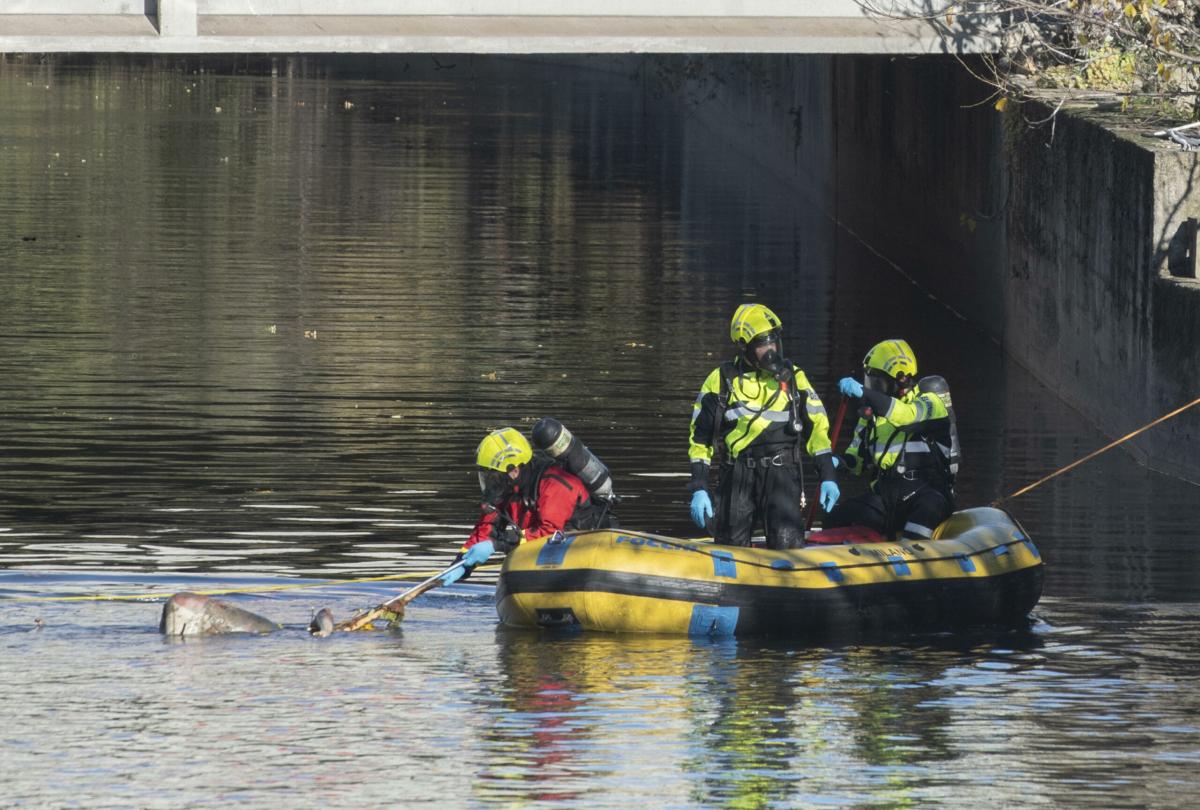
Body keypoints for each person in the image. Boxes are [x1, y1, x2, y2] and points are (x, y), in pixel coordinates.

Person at [688, 303, 840, 549]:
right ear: (744, 347)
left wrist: (828, 475)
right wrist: (699, 486)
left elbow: (817, 430)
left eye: (774, 342)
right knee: (730, 550)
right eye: (762, 344)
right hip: (736, 475)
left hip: (782, 475)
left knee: (788, 548)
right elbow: (700, 439)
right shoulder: (721, 380)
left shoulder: (794, 378)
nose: (771, 350)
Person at [440, 426, 616, 585]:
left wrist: (496, 545)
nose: (490, 483)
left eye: (492, 476)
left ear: (513, 470)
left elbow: (550, 534)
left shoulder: (555, 483)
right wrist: (460, 565)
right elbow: (485, 530)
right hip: (545, 559)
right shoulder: (506, 489)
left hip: (582, 552)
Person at [824, 338, 957, 540]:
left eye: (875, 381)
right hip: (888, 496)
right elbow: (857, 460)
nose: (871, 386)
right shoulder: (871, 416)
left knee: (922, 519)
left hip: (926, 493)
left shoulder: (930, 404)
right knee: (836, 517)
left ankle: (913, 557)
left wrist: (864, 393)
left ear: (899, 379)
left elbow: (904, 416)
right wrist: (836, 463)